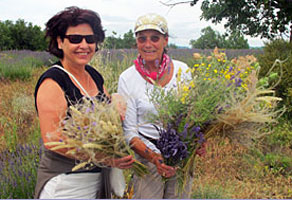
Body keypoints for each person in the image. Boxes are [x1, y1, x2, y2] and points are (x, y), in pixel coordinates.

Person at [34, 6, 134, 199]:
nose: (84, 45)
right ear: (59, 42)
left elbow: (106, 115)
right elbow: (53, 141)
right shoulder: (53, 81)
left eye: (90, 39)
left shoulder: (94, 75)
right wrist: (107, 159)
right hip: (66, 183)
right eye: (75, 39)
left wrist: (117, 101)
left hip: (95, 181)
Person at [118, 13, 204, 199]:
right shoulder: (128, 78)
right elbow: (130, 131)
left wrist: (198, 140)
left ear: (165, 41)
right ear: (137, 42)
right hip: (147, 155)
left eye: (155, 38)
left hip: (181, 155)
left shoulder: (183, 71)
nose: (148, 44)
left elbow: (192, 116)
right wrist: (154, 157)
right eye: (142, 39)